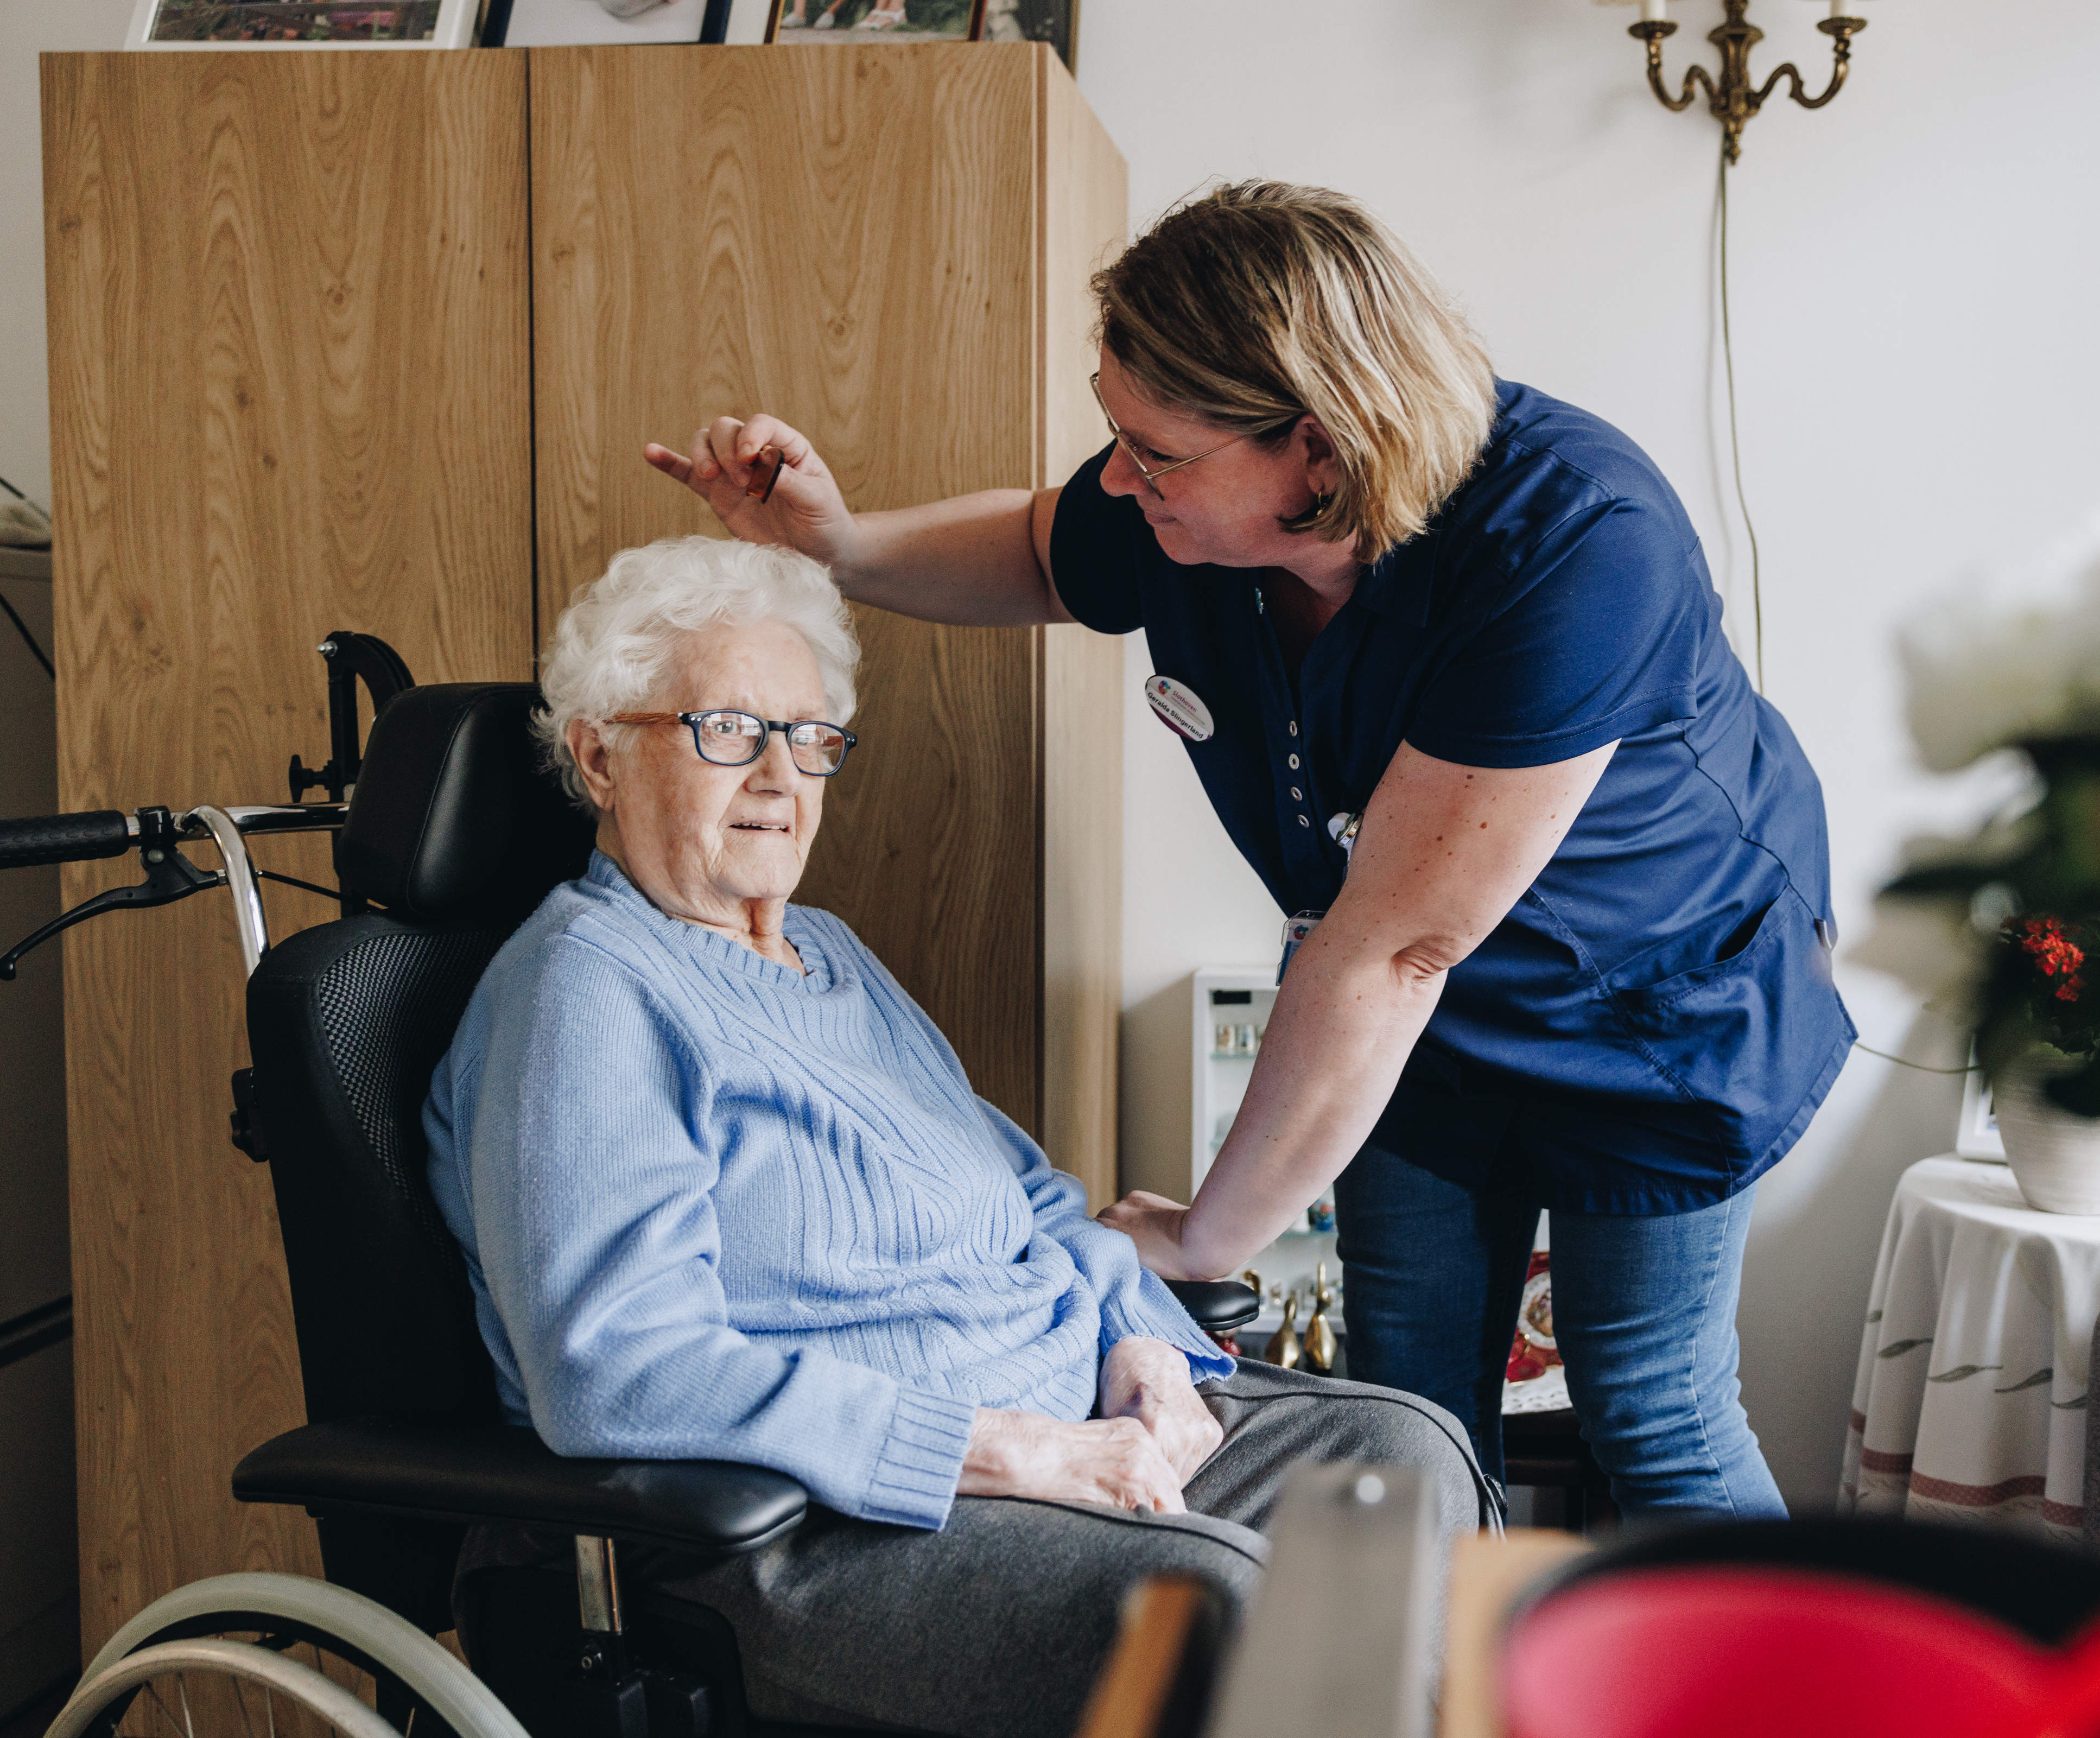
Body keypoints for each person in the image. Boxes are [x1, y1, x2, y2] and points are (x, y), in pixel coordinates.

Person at [646, 181, 1855, 1519]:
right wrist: (840, 543)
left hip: (1655, 1010)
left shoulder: (1577, 542)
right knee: (1406, 1410)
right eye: (1117, 432)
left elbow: (1393, 947)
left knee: (1651, 1403)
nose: (1118, 476)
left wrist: (1209, 1233)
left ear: (1322, 455)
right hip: (1418, 1017)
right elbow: (1048, 556)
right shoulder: (1185, 503)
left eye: (1152, 452)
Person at [423, 536, 1490, 1738]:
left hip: (1050, 1434)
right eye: (727, 728)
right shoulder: (584, 993)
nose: (780, 774)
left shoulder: (829, 954)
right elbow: (616, 1367)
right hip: (795, 1523)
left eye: (811, 735)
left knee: (1400, 1459)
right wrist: (1010, 1451)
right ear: (599, 752)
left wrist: (1139, 1340)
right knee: (1215, 1608)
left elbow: (1028, 1196)